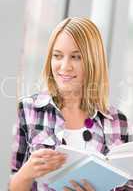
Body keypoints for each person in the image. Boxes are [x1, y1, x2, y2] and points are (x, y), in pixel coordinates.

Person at [9, 17, 133, 191]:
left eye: (76, 57)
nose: (64, 66)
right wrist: (26, 173)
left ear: (93, 61)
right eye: (57, 56)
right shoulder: (27, 111)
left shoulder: (118, 122)